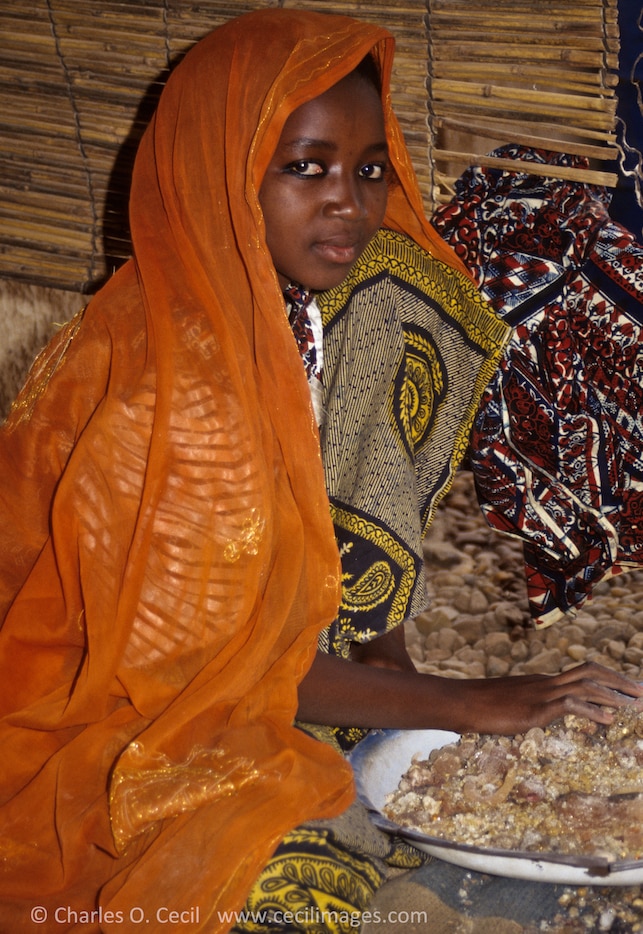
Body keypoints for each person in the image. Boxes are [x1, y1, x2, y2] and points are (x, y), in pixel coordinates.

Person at [0, 9, 640, 933]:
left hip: (258, 679)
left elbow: (312, 557)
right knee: (283, 884)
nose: (348, 199)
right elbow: (206, 674)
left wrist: (397, 686)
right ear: (219, 175)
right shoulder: (165, 390)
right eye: (304, 166)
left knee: (403, 288)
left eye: (368, 168)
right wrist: (475, 704)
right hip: (119, 740)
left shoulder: (289, 317)